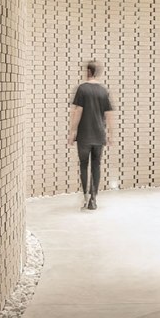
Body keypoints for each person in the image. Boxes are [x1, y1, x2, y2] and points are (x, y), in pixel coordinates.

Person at [65, 63, 115, 210]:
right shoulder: (103, 91)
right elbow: (109, 114)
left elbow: (77, 112)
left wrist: (72, 131)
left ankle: (85, 197)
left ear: (88, 72)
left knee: (83, 164)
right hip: (99, 135)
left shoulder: (82, 89)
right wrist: (110, 134)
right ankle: (94, 198)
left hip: (84, 136)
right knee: (96, 165)